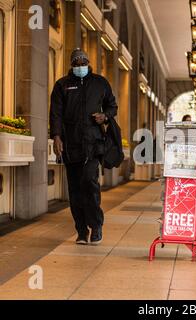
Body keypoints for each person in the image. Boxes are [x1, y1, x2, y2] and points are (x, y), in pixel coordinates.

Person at [50, 48, 118, 245]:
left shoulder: (100, 83)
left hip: (93, 143)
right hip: (71, 144)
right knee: (75, 189)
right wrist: (56, 136)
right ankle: (81, 231)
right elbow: (56, 113)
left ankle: (96, 226)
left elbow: (112, 106)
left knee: (89, 182)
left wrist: (105, 116)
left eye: (83, 62)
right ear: (71, 65)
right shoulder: (62, 85)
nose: (80, 65)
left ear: (89, 62)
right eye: (77, 63)